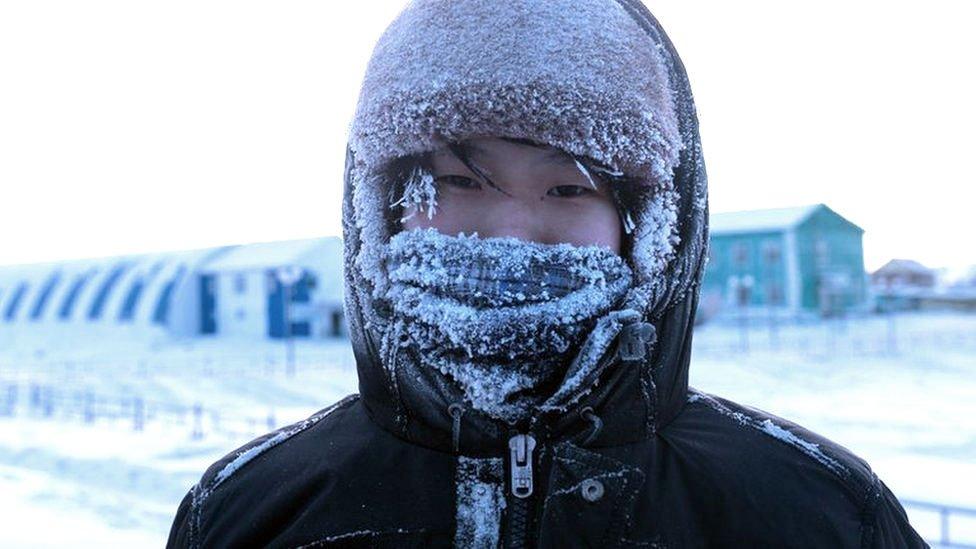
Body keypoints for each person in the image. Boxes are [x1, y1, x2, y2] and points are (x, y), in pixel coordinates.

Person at [167, 0, 927, 547]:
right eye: (461, 182)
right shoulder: (247, 513)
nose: (510, 233)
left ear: (651, 230)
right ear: (383, 207)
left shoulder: (819, 514)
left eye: (567, 188)